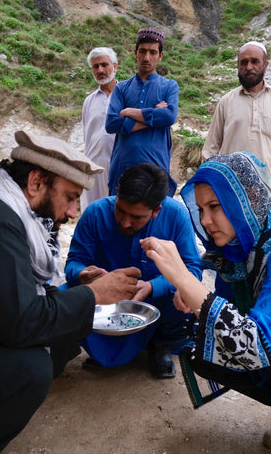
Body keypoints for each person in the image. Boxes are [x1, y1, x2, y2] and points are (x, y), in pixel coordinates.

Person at [0, 130, 141, 453]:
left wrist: (83, 291)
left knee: (65, 330)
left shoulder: (10, 217)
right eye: (71, 197)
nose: (74, 211)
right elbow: (19, 322)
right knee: (31, 370)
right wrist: (95, 295)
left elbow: (25, 300)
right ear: (36, 183)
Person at [140, 151, 271, 452]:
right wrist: (193, 297)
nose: (205, 221)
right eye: (201, 209)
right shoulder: (237, 253)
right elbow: (227, 308)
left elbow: (251, 341)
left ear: (251, 198)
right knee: (201, 352)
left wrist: (183, 278)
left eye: (215, 207)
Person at [65, 163, 202, 378]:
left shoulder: (176, 216)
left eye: (137, 217)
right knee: (65, 294)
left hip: (155, 301)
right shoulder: (95, 213)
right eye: (120, 210)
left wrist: (152, 286)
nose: (126, 222)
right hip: (107, 303)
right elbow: (74, 263)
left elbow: (193, 270)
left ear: (157, 210)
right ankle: (101, 349)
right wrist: (82, 274)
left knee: (183, 293)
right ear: (117, 193)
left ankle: (161, 344)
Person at [202, 41, 271, 194]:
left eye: (255, 61)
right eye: (244, 62)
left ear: (266, 65)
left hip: (270, 191)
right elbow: (211, 150)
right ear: (238, 66)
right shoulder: (226, 102)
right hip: (231, 191)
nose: (248, 67)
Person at [105, 27, 179, 197]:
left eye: (153, 52)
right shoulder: (122, 88)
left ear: (160, 56)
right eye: (143, 51)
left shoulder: (169, 86)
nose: (147, 58)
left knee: (154, 218)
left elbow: (169, 116)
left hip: (156, 168)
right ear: (135, 52)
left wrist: (130, 112)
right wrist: (154, 114)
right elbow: (111, 123)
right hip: (122, 167)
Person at [80, 47, 118, 213]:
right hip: (94, 167)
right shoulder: (89, 101)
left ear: (115, 66)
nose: (100, 70)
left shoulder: (126, 94)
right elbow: (87, 136)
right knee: (95, 213)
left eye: (104, 65)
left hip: (120, 165)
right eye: (95, 67)